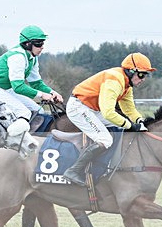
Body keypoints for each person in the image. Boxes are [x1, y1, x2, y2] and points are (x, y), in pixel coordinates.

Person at [62, 52, 155, 186]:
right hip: (79, 108)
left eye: (145, 75)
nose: (143, 79)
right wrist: (130, 126)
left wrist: (139, 121)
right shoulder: (115, 81)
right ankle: (73, 171)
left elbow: (129, 109)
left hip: (92, 109)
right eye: (141, 74)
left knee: (120, 126)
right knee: (105, 139)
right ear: (130, 71)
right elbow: (108, 113)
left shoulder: (126, 85)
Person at [0, 25, 63, 134]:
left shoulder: (33, 58)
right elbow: (18, 87)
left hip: (7, 89)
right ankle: (11, 141)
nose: (42, 47)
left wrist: (52, 92)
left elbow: (36, 83)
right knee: (24, 113)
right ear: (27, 44)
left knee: (39, 110)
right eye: (38, 43)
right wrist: (42, 95)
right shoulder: (18, 57)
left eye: (43, 43)